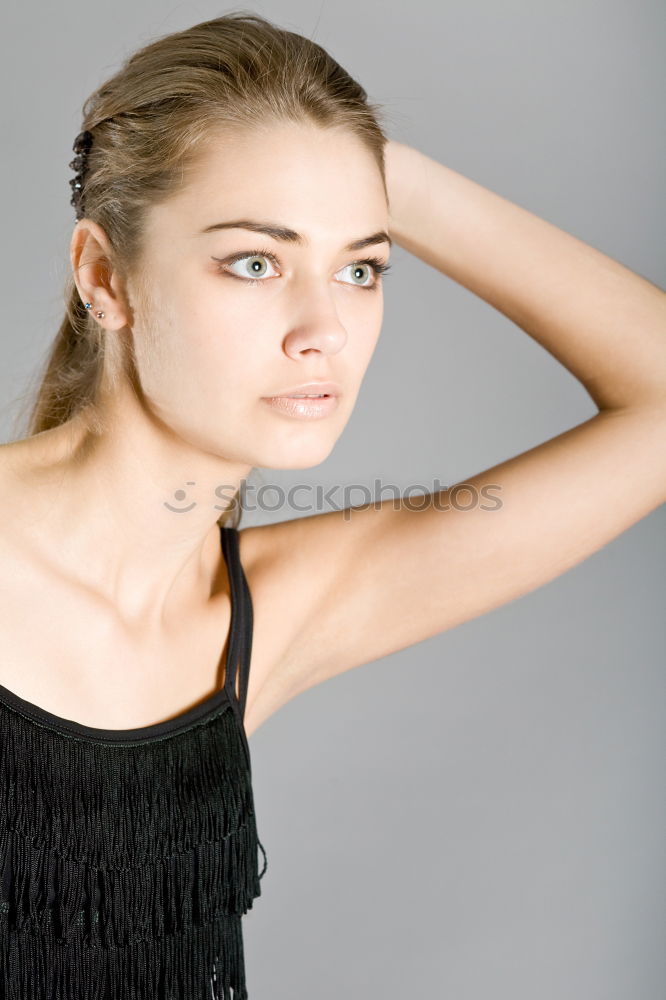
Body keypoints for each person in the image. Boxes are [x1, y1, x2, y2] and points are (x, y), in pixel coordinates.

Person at [0, 9, 664, 999]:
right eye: (255, 262)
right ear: (105, 275)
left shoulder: (273, 611)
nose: (325, 330)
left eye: (362, 267)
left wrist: (354, 163)